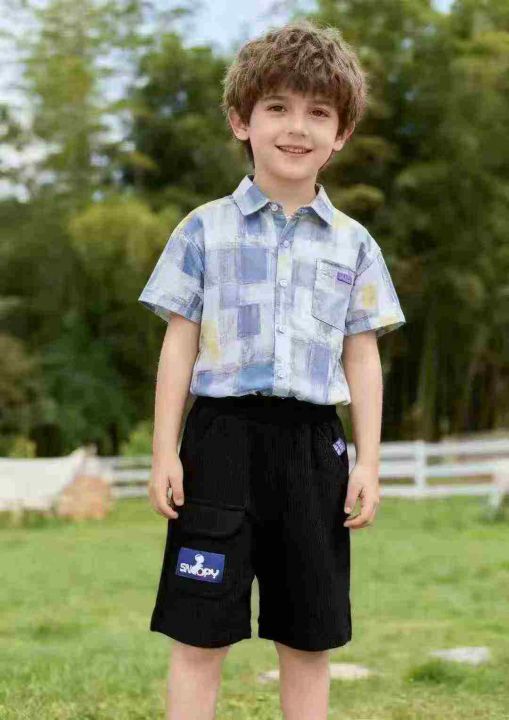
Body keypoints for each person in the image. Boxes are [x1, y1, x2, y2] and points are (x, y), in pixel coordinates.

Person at [138, 17, 406, 720]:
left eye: (318, 112)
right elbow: (178, 346)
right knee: (199, 630)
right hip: (218, 444)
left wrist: (369, 462)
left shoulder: (354, 244)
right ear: (241, 120)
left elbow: (362, 355)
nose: (297, 127)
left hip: (314, 451)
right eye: (277, 107)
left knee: (308, 635)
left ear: (341, 133)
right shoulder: (202, 229)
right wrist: (165, 450)